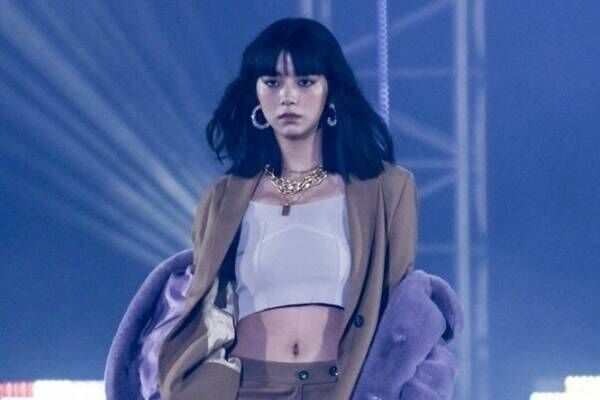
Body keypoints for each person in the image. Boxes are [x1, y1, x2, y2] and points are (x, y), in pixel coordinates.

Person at [104, 17, 462, 400]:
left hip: (338, 387)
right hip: (244, 387)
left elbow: (395, 307)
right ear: (255, 93)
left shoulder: (387, 190)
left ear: (330, 91)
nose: (288, 96)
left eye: (304, 82)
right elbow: (204, 301)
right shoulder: (222, 198)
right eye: (273, 82)